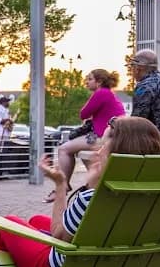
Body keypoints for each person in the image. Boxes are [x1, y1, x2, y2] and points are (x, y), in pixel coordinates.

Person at [0, 117, 160, 267]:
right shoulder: (153, 200)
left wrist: (60, 184)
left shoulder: (90, 199)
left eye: (103, 145)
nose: (98, 152)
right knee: (36, 221)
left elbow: (58, 236)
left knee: (7, 223)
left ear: (116, 154)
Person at [45, 69, 125, 203]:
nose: (86, 82)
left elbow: (83, 113)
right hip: (111, 135)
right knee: (82, 153)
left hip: (103, 137)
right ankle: (93, 187)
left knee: (64, 149)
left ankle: (63, 186)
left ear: (99, 82)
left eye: (89, 79)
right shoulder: (109, 94)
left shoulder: (101, 93)